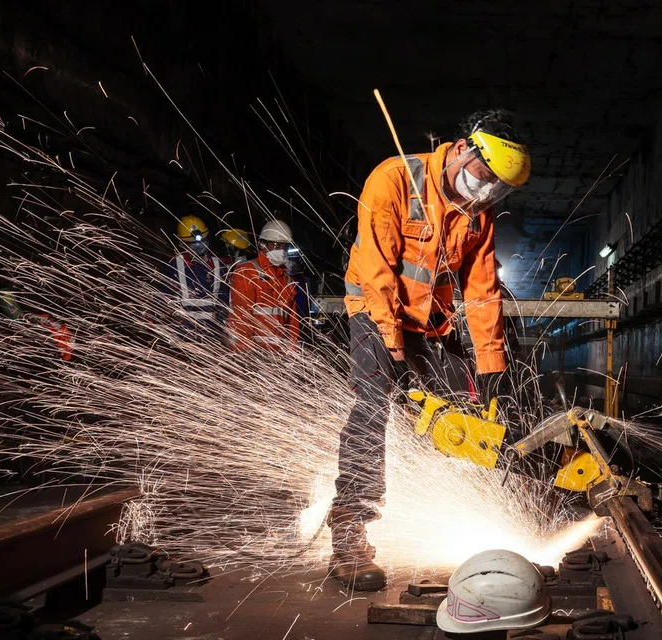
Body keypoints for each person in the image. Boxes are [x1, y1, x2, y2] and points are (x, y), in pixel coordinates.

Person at [331, 109, 531, 590]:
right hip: (374, 310)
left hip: (432, 322)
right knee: (374, 402)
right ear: (464, 148)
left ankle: (473, 513)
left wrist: (491, 367)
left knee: (465, 411)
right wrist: (393, 347)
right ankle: (349, 533)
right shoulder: (394, 179)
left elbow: (482, 292)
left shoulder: (479, 215)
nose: (487, 194)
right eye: (486, 179)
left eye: (499, 189)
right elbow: (377, 271)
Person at [227, 220, 300, 351]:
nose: (281, 251)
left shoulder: (287, 279)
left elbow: (293, 322)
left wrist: (293, 352)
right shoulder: (247, 272)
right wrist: (242, 353)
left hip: (279, 356)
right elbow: (241, 316)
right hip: (254, 354)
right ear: (263, 244)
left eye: (285, 247)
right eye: (277, 245)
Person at [163, 215, 230, 344]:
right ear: (183, 244)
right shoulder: (175, 266)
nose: (199, 247)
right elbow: (162, 297)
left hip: (213, 335)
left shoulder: (218, 265)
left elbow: (225, 299)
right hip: (184, 336)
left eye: (202, 242)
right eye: (193, 245)